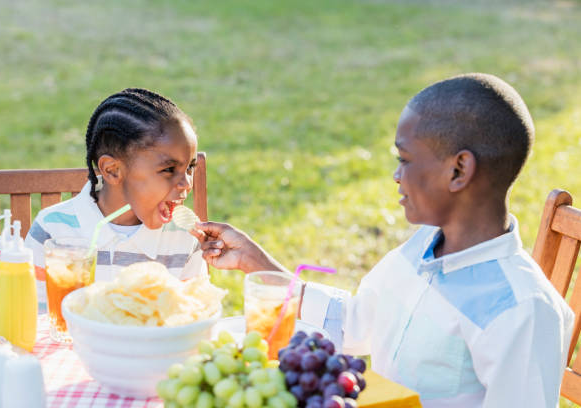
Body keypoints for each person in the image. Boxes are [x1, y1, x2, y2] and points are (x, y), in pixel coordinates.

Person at [192, 74, 574, 407]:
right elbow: (358, 324)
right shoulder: (423, 245)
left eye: (405, 160)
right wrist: (256, 262)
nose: (395, 175)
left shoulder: (522, 310)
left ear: (458, 170)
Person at [25, 88, 206, 307]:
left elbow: (196, 317)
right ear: (112, 171)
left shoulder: (184, 238)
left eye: (191, 167)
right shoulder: (52, 231)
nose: (186, 183)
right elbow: (36, 319)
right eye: (168, 169)